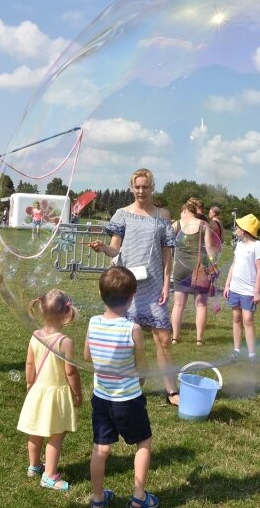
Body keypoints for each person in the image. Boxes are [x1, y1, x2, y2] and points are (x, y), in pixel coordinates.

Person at [88, 168, 178, 407]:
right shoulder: (122, 214)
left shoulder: (162, 215)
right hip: (128, 287)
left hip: (155, 285)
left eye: (145, 187)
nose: (141, 191)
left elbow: (167, 252)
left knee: (164, 338)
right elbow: (115, 249)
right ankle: (131, 384)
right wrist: (103, 248)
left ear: (152, 187)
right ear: (131, 188)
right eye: (137, 187)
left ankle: (171, 390)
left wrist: (167, 282)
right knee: (126, 339)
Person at [84, 266, 158, 508]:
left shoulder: (93, 323)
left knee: (101, 448)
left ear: (99, 293)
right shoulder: (132, 329)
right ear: (132, 296)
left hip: (101, 397)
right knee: (143, 442)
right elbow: (142, 365)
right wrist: (141, 380)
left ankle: (97, 499)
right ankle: (138, 498)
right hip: (129, 399)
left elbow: (87, 356)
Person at [16, 289, 82, 491]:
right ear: (66, 313)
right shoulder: (65, 342)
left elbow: (29, 364)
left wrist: (29, 384)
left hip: (38, 390)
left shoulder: (35, 336)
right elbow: (71, 372)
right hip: (56, 395)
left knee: (35, 431)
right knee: (56, 434)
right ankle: (49, 476)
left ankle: (34, 466)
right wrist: (77, 393)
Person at [170, 198, 216, 346]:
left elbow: (169, 244)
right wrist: (213, 264)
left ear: (184, 211)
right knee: (201, 305)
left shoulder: (176, 224)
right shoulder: (203, 224)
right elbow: (209, 247)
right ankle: (199, 339)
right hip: (199, 268)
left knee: (178, 305)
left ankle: (175, 337)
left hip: (180, 268)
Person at [223, 214, 260, 359]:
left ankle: (252, 354)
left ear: (245, 230)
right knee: (236, 317)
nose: (235, 229)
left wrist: (257, 291)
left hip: (249, 289)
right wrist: (227, 284)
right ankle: (237, 350)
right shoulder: (239, 245)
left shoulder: (258, 246)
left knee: (247, 319)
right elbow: (234, 265)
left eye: (238, 227)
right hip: (235, 288)